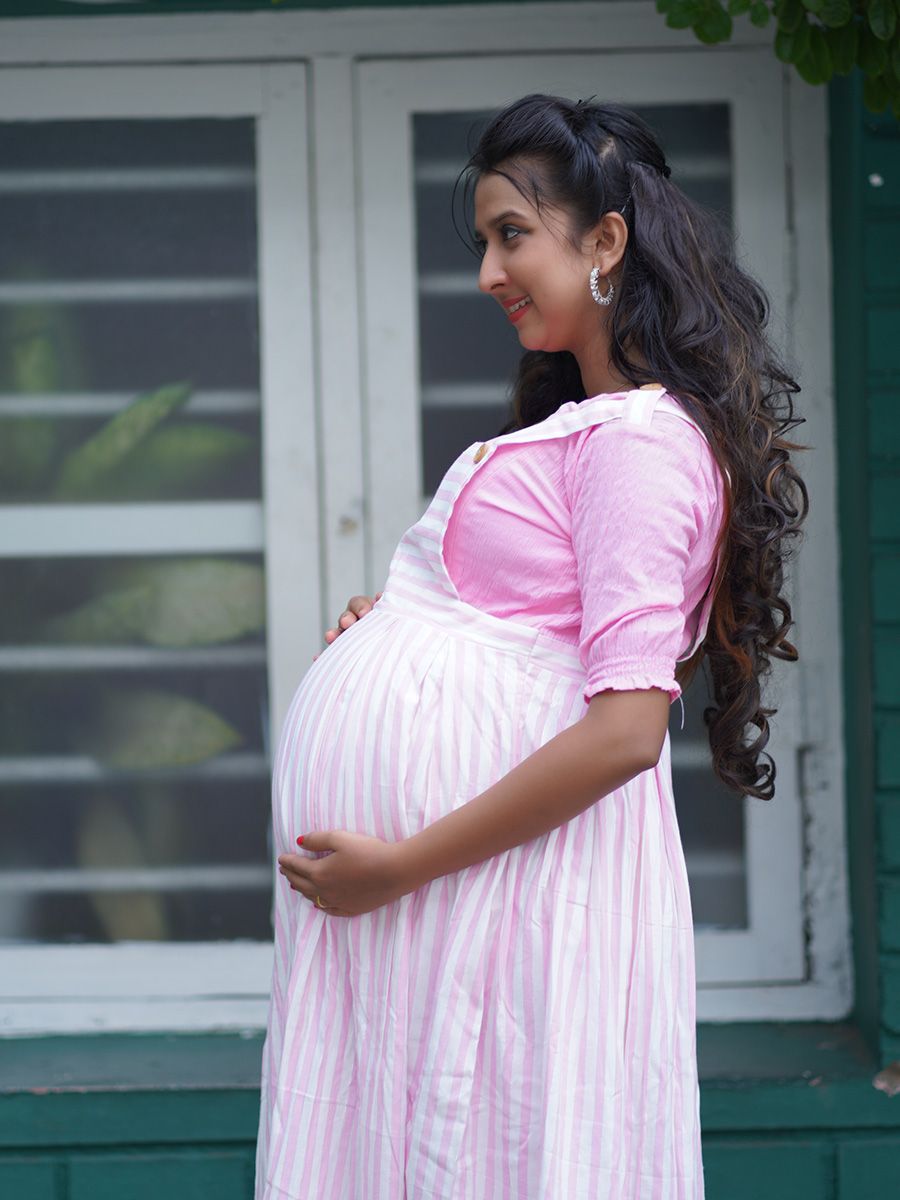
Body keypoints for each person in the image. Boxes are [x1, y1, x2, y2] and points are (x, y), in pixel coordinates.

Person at [254, 93, 809, 1199]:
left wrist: (400, 867)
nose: (488, 273)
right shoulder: (585, 426)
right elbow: (541, 630)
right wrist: (410, 626)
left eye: (513, 234)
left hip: (485, 903)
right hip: (445, 912)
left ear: (605, 241)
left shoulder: (644, 440)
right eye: (486, 242)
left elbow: (624, 733)